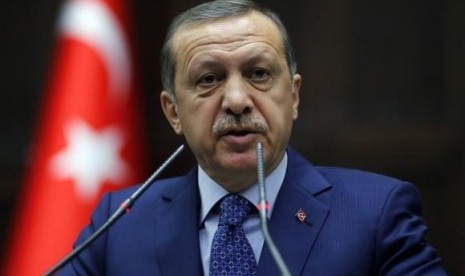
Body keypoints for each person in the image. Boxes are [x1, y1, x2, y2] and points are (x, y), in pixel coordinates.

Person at [59, 0, 446, 275]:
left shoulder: (375, 214)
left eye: (258, 73)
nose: (238, 101)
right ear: (173, 111)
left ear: (293, 96)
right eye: (208, 79)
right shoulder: (118, 225)